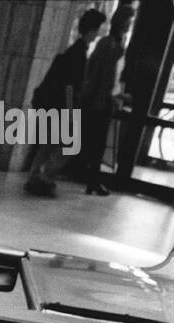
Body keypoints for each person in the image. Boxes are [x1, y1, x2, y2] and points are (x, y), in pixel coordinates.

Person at [25, 7, 106, 197]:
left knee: (48, 144)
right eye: (98, 29)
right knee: (69, 146)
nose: (98, 33)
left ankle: (34, 177)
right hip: (62, 106)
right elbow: (70, 86)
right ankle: (45, 177)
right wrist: (71, 112)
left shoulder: (73, 50)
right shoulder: (79, 54)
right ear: (92, 30)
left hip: (51, 104)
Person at [80, 3, 137, 195]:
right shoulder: (109, 44)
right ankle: (91, 180)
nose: (129, 25)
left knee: (97, 143)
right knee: (95, 143)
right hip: (99, 102)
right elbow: (99, 76)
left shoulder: (115, 45)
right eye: (128, 21)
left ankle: (92, 181)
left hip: (103, 101)